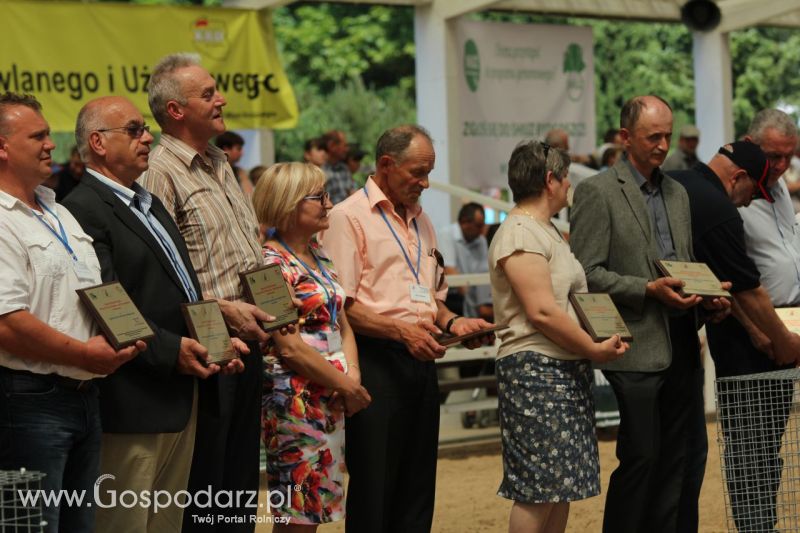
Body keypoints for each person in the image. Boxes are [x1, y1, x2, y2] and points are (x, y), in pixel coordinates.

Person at [62, 95, 249, 531]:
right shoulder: (83, 209)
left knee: (165, 524)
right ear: (98, 143)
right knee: (125, 523)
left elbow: (184, 287)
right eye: (133, 130)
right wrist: (171, 351)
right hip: (134, 399)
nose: (147, 136)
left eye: (144, 128)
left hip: (181, 391)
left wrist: (217, 343)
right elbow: (110, 304)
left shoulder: (147, 201)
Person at [321, 125, 494, 533]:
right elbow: (342, 305)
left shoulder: (422, 220)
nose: (425, 182)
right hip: (374, 361)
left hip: (421, 361)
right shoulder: (348, 217)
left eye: (429, 172)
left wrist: (456, 323)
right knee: (376, 483)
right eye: (418, 172)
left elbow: (430, 298)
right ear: (386, 164)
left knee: (418, 484)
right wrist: (402, 333)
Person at [569, 95, 729, 533]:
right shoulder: (596, 191)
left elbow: (683, 260)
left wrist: (706, 295)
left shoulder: (677, 191)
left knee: (687, 457)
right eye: (652, 136)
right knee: (642, 457)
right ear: (625, 138)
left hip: (681, 338)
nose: (662, 145)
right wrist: (647, 290)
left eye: (667, 136)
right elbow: (584, 274)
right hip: (635, 345)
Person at [139, 53, 274, 532]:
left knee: (239, 477)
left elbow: (246, 252)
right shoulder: (158, 171)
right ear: (176, 110)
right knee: (207, 481)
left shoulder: (221, 162)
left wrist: (275, 305)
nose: (222, 100)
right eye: (209, 94)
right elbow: (162, 275)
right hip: (206, 340)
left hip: (251, 336)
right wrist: (224, 315)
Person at [0, 92, 144, 532]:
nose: (51, 144)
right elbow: (6, 324)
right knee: (27, 527)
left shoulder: (59, 211)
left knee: (78, 526)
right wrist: (83, 355)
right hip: (25, 402)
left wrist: (126, 337)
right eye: (38, 136)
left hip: (84, 398)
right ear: (2, 147)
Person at [489, 140, 627, 532]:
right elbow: (543, 311)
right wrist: (594, 349)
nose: (569, 185)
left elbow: (572, 303)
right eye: (565, 177)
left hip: (562, 367)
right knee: (538, 488)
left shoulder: (545, 231)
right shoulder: (519, 233)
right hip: (534, 368)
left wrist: (604, 336)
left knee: (561, 484)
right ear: (550, 180)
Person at [669, 140, 800, 531]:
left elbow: (712, 277)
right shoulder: (719, 208)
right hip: (679, 343)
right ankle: (754, 527)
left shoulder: (680, 183)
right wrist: (786, 342)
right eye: (750, 193)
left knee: (691, 453)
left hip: (681, 333)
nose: (746, 204)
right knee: (731, 449)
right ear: (738, 177)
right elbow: (748, 289)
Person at [252, 162, 371, 529]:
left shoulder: (319, 255)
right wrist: (347, 386)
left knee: (315, 509)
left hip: (331, 395)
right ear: (289, 203)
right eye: (318, 196)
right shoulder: (267, 265)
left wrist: (350, 376)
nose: (329, 203)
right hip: (295, 402)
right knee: (298, 514)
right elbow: (288, 348)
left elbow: (342, 322)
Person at [705, 110, 800, 531]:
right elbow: (723, 273)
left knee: (772, 442)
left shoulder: (778, 190)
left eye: (788, 158)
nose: (779, 166)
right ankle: (753, 525)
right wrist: (755, 329)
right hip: (751, 337)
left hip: (785, 329)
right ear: (749, 145)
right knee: (748, 444)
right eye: (773, 156)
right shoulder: (730, 192)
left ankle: (763, 523)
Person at [439, 202, 493, 321]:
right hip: (452, 295)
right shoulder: (447, 234)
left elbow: (484, 270)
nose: (482, 230)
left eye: (483, 225)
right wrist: (476, 304)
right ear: (464, 222)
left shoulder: (481, 240)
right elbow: (449, 269)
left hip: (473, 294)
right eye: (478, 225)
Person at [215, 130, 255, 196]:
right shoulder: (216, 171)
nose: (242, 153)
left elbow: (249, 195)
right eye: (238, 149)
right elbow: (248, 194)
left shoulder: (239, 171)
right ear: (226, 149)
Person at [322, 130, 355, 204]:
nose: (347, 149)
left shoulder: (344, 168)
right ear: (332, 146)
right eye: (344, 145)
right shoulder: (320, 171)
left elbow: (351, 192)